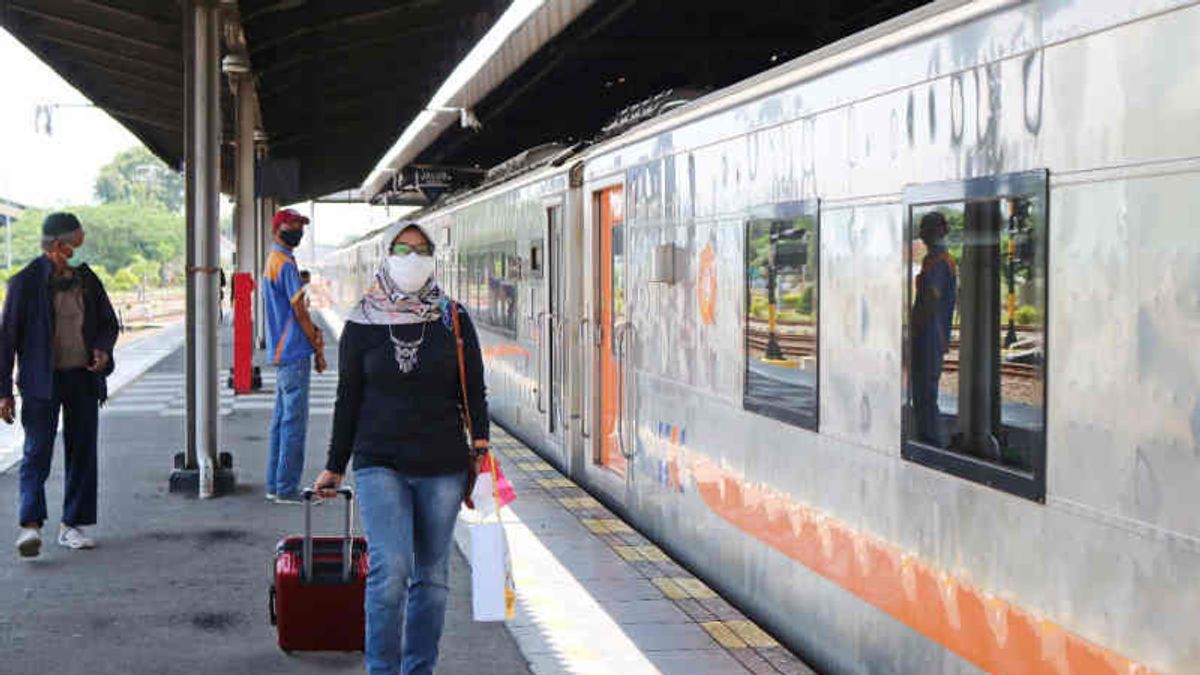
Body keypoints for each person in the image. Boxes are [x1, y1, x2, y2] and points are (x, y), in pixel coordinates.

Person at [314, 221, 490, 675]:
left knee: (431, 579)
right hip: (379, 461)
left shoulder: (454, 317)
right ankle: (382, 670)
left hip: (443, 465)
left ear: (434, 258)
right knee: (391, 569)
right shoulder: (360, 320)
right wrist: (335, 464)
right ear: (387, 256)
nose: (411, 258)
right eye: (402, 249)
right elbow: (348, 395)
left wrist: (482, 449)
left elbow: (475, 391)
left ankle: (419, 670)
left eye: (420, 250)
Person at [0, 213, 119, 557]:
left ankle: (73, 525)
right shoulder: (24, 283)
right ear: (56, 246)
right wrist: (4, 391)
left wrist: (102, 350)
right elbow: (6, 339)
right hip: (41, 382)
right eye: (75, 244)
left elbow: (108, 323)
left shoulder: (86, 278)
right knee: (36, 452)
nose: (80, 250)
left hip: (82, 378)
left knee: (83, 451)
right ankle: (30, 526)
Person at [264, 208, 326, 504]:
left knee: (281, 421)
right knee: (294, 424)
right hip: (293, 351)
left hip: (281, 351)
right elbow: (299, 311)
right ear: (278, 228)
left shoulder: (273, 261)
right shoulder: (286, 264)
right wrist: (315, 340)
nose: (297, 231)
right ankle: (287, 489)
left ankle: (275, 485)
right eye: (292, 225)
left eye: (301, 226)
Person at [910, 211, 957, 447]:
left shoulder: (939, 263)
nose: (922, 234)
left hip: (929, 337)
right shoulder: (937, 260)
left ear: (938, 231)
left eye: (926, 228)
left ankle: (932, 441)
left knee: (925, 394)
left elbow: (930, 301)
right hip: (930, 336)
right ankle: (929, 437)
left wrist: (914, 330)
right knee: (924, 392)